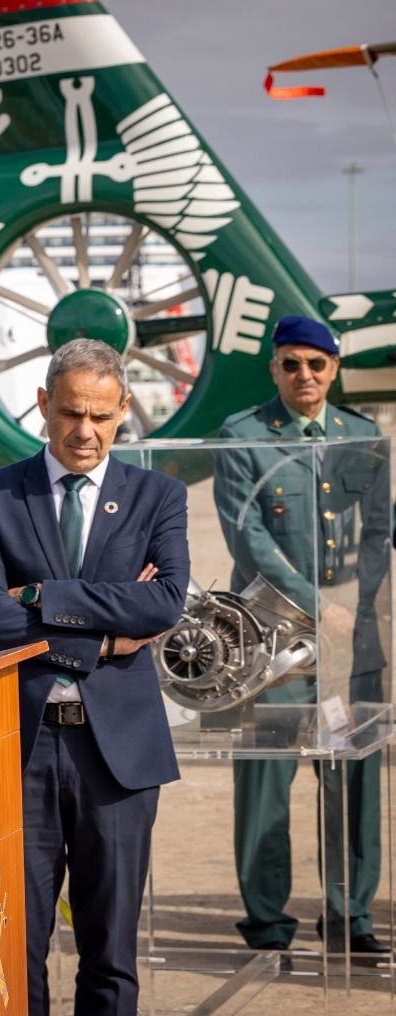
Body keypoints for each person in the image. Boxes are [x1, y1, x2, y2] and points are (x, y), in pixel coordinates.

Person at [0, 338, 189, 1016]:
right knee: (14, 952)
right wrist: (101, 639)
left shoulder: (158, 496)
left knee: (110, 953)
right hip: (17, 752)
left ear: (124, 413)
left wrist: (45, 598)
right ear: (41, 408)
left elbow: (164, 603)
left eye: (100, 415)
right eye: (68, 414)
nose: (83, 432)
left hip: (118, 761)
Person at [214, 315, 391, 957]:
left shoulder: (363, 437)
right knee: (266, 781)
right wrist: (322, 605)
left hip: (348, 652)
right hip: (272, 648)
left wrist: (357, 605)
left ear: (335, 369)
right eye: (291, 364)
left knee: (352, 779)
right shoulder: (244, 436)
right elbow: (249, 539)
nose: (304, 376)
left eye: (316, 364)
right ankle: (267, 920)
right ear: (274, 369)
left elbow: (378, 533)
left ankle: (350, 916)